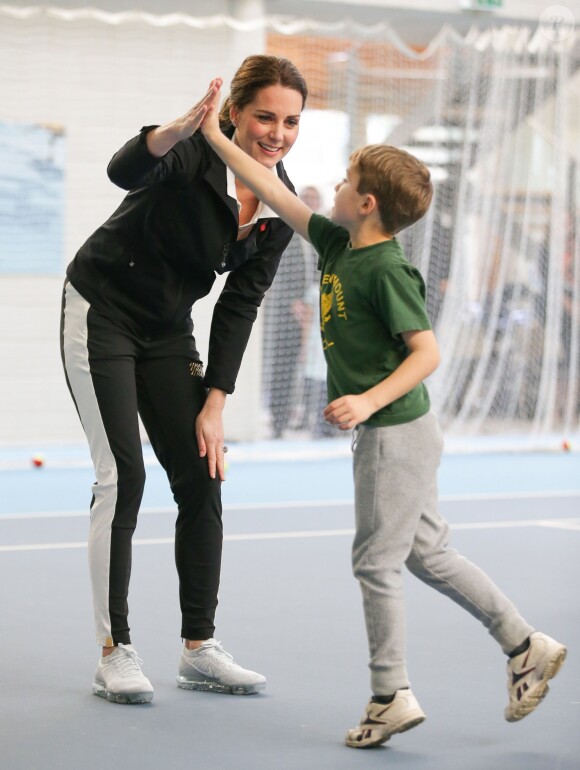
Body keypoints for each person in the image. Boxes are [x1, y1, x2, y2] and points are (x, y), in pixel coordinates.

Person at [200, 81, 567, 746]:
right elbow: (278, 193)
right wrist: (216, 139)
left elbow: (426, 353)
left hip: (397, 433)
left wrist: (368, 398)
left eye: (345, 181)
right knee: (428, 552)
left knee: (376, 562)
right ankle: (526, 645)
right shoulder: (341, 245)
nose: (333, 187)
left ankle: (389, 693)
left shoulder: (388, 271)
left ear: (365, 203)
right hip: (397, 434)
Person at [60, 56, 308, 705]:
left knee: (203, 470)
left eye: (289, 121)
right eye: (264, 116)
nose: (276, 132)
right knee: (123, 475)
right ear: (234, 113)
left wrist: (215, 402)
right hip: (103, 309)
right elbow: (125, 170)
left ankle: (199, 648)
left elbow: (239, 304)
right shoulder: (193, 154)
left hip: (168, 332)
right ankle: (113, 651)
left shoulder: (280, 205)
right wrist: (174, 127)